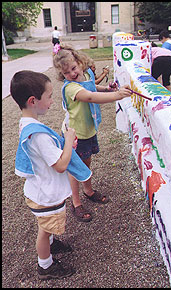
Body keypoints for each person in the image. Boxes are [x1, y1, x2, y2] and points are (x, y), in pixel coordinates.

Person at [10, 70, 92, 280]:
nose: (52, 101)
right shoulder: (38, 135)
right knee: (44, 231)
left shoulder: (26, 123)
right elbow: (61, 165)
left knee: (45, 225)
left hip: (38, 190)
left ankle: (52, 246)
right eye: (49, 96)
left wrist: (64, 146)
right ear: (33, 100)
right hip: (46, 197)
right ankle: (45, 266)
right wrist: (67, 140)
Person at [53, 44, 132, 223]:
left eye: (74, 68)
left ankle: (88, 190)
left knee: (86, 162)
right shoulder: (71, 88)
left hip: (88, 131)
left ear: (80, 63)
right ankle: (76, 201)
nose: (72, 74)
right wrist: (118, 95)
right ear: (62, 75)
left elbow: (93, 88)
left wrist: (109, 89)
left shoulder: (86, 76)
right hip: (76, 135)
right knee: (75, 168)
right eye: (67, 73)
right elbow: (89, 96)